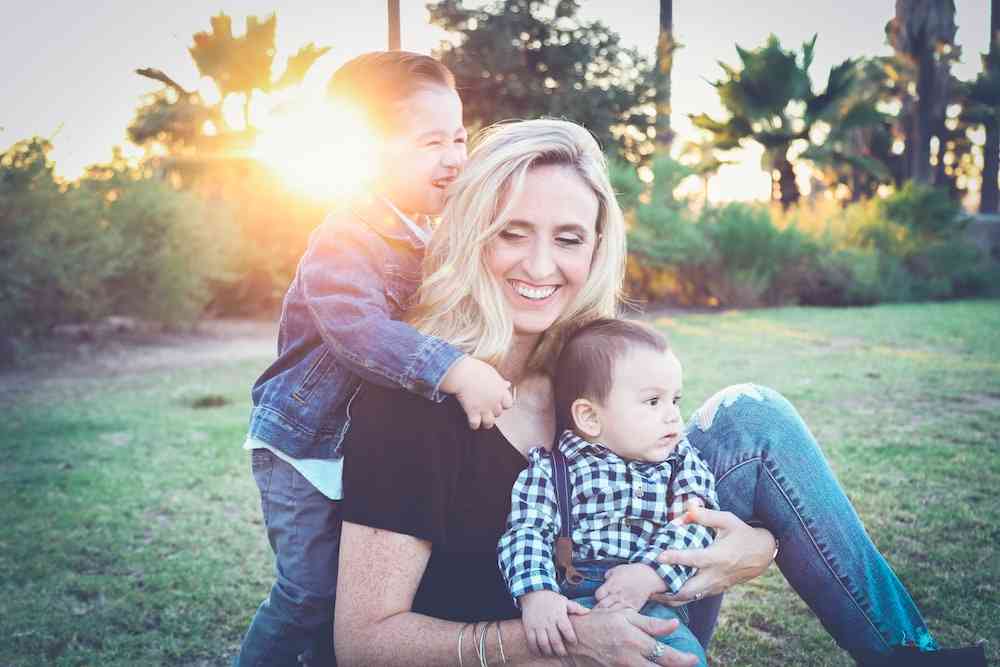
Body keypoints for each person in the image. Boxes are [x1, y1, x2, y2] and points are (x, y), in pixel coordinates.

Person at [334, 118, 982, 666]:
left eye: (567, 239)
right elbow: (363, 640)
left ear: (595, 247)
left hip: (643, 618)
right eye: (512, 232)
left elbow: (681, 488)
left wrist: (753, 549)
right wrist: (560, 642)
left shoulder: (584, 367)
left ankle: (911, 654)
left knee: (753, 418)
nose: (539, 266)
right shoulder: (412, 402)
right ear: (474, 233)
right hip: (547, 645)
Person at [234, 51, 514, 667]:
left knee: (354, 598)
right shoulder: (345, 236)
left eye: (460, 137)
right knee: (309, 594)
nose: (454, 156)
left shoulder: (426, 232)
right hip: (304, 450)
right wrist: (452, 368)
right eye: (431, 142)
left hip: (357, 447)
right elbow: (357, 330)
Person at [498, 318, 716, 666]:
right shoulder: (553, 468)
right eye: (653, 402)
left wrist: (650, 574)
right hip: (572, 605)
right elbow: (527, 532)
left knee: (683, 658)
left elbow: (696, 522)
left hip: (651, 601)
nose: (673, 416)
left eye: (675, 400)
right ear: (589, 417)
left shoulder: (680, 461)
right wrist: (536, 594)